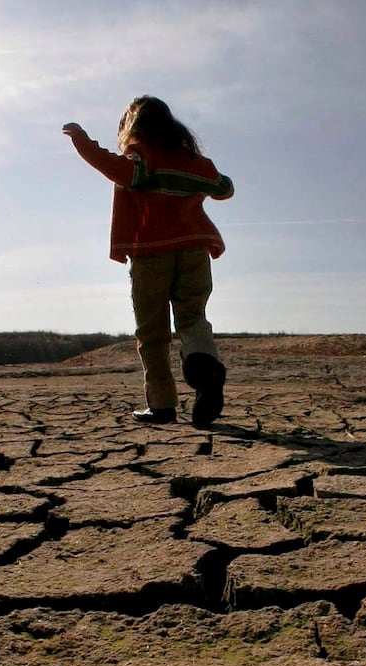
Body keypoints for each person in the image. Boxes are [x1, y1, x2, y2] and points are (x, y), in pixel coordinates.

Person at [63, 96, 234, 427]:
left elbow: (124, 171)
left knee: (153, 332)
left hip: (151, 252)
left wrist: (83, 143)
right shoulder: (191, 160)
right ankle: (206, 367)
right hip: (195, 251)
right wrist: (197, 171)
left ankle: (162, 405)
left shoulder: (141, 154)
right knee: (192, 318)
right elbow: (223, 188)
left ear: (134, 125)